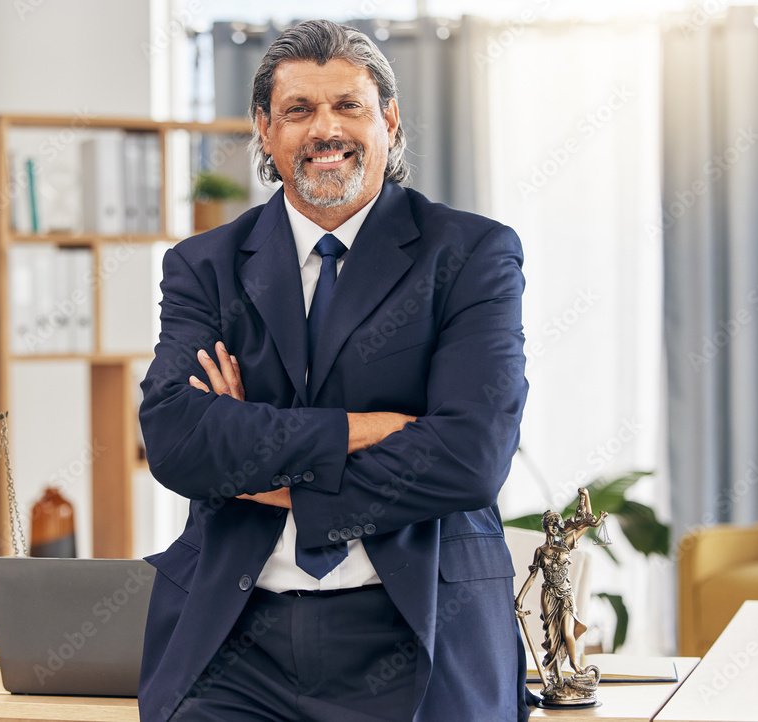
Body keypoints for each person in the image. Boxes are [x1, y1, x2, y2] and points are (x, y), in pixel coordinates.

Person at [138, 19, 530, 722]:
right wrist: (366, 429)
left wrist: (264, 476)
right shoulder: (203, 267)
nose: (326, 129)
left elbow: (470, 457)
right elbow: (176, 440)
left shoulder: (471, 254)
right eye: (298, 110)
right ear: (264, 128)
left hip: (414, 633)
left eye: (348, 105)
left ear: (389, 118)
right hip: (236, 645)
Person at [514, 489, 608, 696]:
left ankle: (576, 667)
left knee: (567, 633)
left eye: (556, 522)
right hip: (548, 595)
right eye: (550, 522)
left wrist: (586, 497)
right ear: (545, 526)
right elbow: (533, 576)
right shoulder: (540, 551)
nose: (554, 526)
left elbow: (588, 521)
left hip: (565, 594)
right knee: (553, 638)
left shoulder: (566, 543)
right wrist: (519, 599)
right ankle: (556, 679)